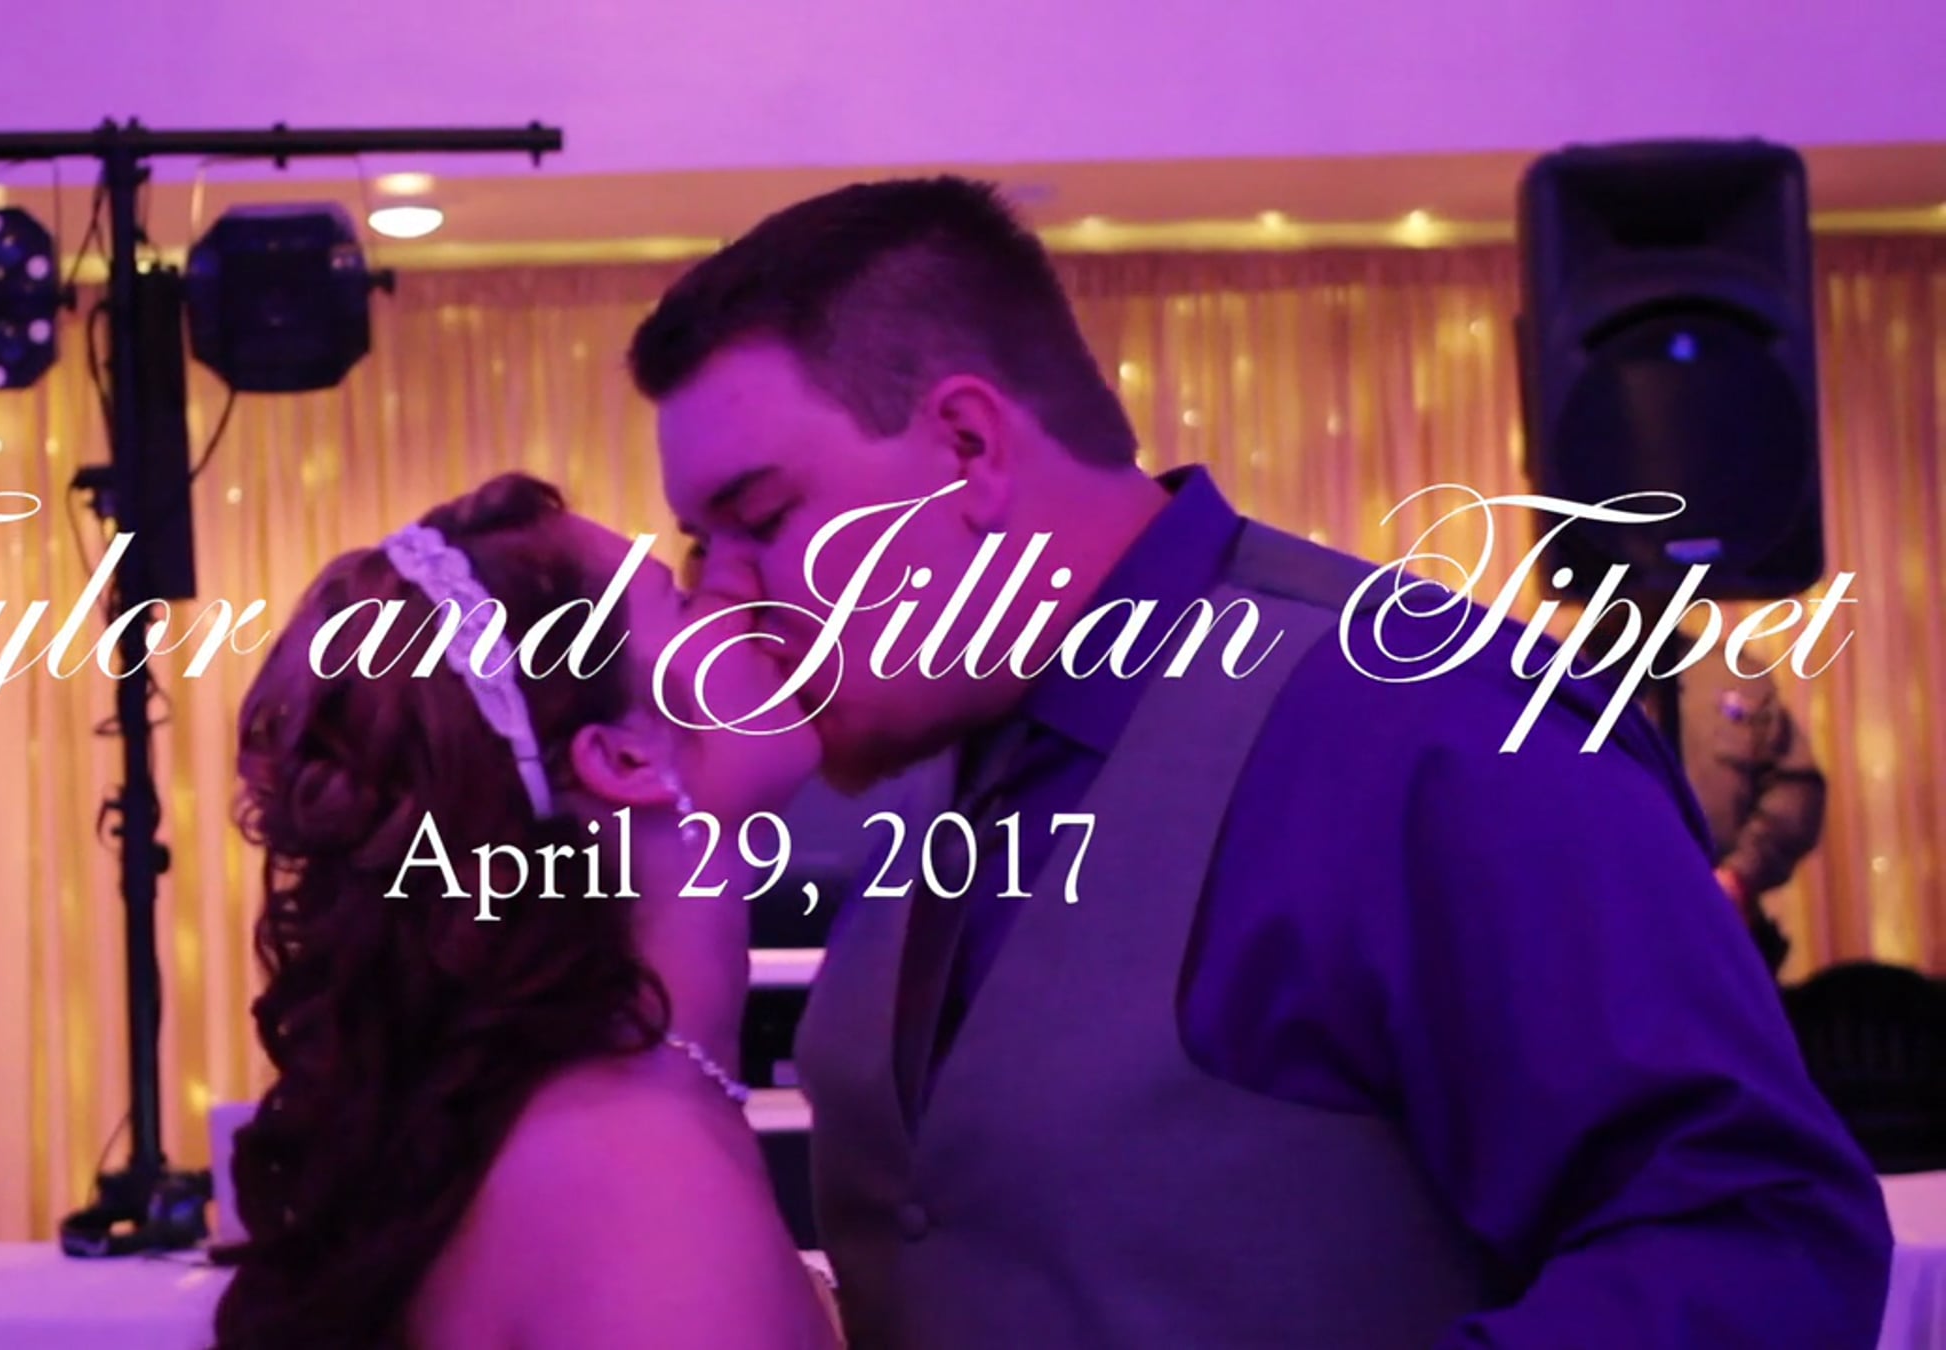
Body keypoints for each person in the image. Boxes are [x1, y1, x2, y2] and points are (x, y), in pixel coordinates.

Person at [629, 177, 1891, 1348]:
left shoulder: (1424, 724)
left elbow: (1755, 1242)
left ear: (968, 446)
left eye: (760, 521)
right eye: (699, 548)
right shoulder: (918, 750)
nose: (722, 598)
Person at [209, 474, 839, 1350]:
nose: (734, 593)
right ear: (623, 759)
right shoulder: (636, 1183)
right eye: (682, 600)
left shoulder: (591, 1120)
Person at [1581, 624, 1828, 974]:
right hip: (1599, 937)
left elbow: (1796, 788)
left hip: (1723, 938)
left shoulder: (1734, 675)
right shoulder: (1553, 678)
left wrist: (1740, 875)